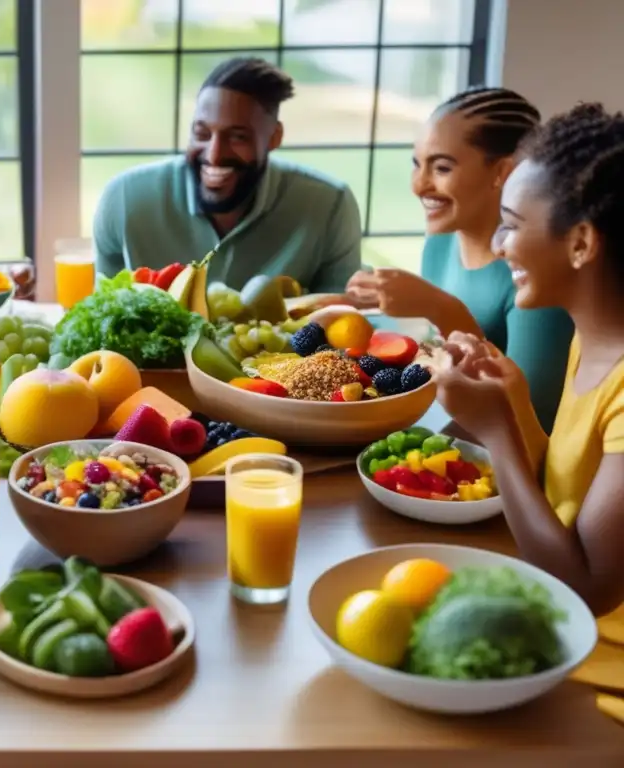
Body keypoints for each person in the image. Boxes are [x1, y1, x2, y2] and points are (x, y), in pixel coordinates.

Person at [435, 102, 624, 616]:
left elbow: (589, 589)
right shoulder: (591, 338)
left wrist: (496, 434)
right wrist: (512, 400)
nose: (498, 247)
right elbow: (564, 493)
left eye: (512, 226)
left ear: (581, 242)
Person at [346, 86, 574, 433]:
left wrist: (440, 307)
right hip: (440, 427)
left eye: (441, 167)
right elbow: (440, 358)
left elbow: (531, 418)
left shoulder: (535, 273)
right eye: (416, 164)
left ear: (503, 173)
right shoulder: (439, 245)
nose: (419, 185)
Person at [92, 56, 362, 293]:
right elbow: (103, 318)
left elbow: (342, 322)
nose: (214, 154)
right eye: (202, 134)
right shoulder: (123, 200)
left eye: (237, 137)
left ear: (274, 137)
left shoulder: (331, 205)